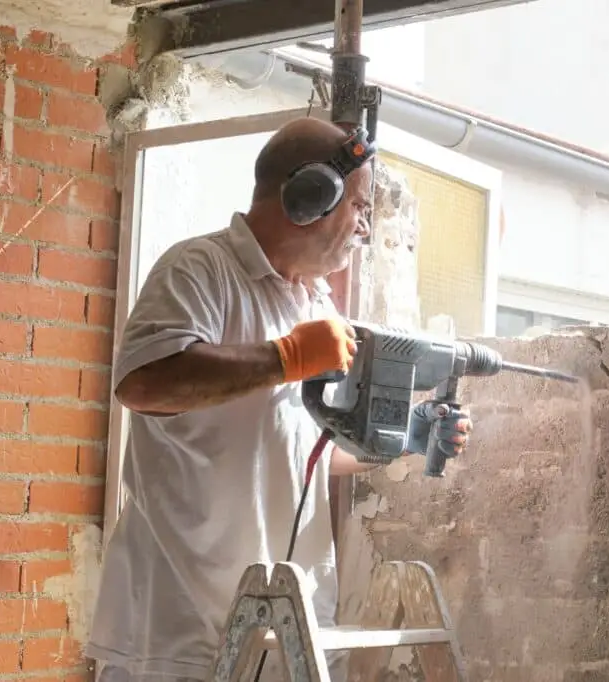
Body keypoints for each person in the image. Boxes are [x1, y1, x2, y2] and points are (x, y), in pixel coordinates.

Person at [86, 117, 473, 682]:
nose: (364, 227)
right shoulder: (200, 269)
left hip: (286, 630)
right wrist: (285, 357)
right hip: (177, 631)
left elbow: (310, 448)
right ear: (311, 196)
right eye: (359, 207)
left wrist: (403, 437)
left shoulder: (316, 305)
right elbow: (143, 382)